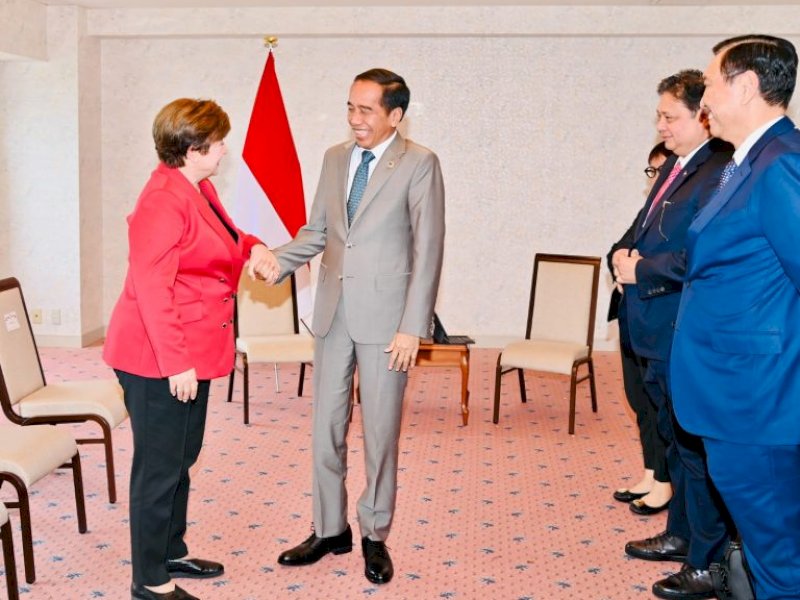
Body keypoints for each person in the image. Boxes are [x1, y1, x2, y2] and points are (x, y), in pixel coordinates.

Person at [261, 68, 445, 585]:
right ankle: (329, 529)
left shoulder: (420, 164)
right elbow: (317, 232)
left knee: (380, 433)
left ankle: (374, 534)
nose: (354, 119)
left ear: (395, 115)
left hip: (388, 322)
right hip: (333, 313)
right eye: (350, 107)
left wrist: (413, 326)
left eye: (366, 110)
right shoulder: (335, 158)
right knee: (326, 427)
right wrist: (278, 260)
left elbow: (428, 249)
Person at [103, 98, 274, 600]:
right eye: (218, 142)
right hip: (155, 357)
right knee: (158, 468)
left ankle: (170, 551)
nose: (225, 150)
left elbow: (228, 238)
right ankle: (149, 580)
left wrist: (256, 247)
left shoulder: (197, 187)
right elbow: (151, 289)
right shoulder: (162, 200)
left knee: (182, 457)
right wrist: (175, 363)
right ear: (194, 148)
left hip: (189, 349)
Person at [671, 35, 800, 600]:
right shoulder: (750, 161)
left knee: (780, 561)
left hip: (759, 401)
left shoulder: (782, 163)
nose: (703, 100)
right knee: (768, 549)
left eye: (709, 85)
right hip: (736, 397)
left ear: (746, 87)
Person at [613, 70, 735, 600]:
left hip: (678, 325)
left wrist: (642, 269)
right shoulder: (678, 165)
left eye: (670, 116)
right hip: (651, 327)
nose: (660, 125)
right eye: (659, 116)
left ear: (702, 117)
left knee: (693, 450)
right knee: (673, 438)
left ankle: (705, 558)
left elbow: (703, 255)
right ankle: (681, 535)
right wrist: (619, 254)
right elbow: (641, 228)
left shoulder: (719, 171)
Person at [607, 142, 673, 511]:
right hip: (631, 316)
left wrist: (639, 268)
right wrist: (620, 258)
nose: (654, 179)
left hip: (658, 320)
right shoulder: (648, 211)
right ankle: (651, 472)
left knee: (658, 403)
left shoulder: (677, 214)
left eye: (660, 171)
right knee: (639, 401)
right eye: (651, 171)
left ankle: (664, 481)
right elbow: (618, 247)